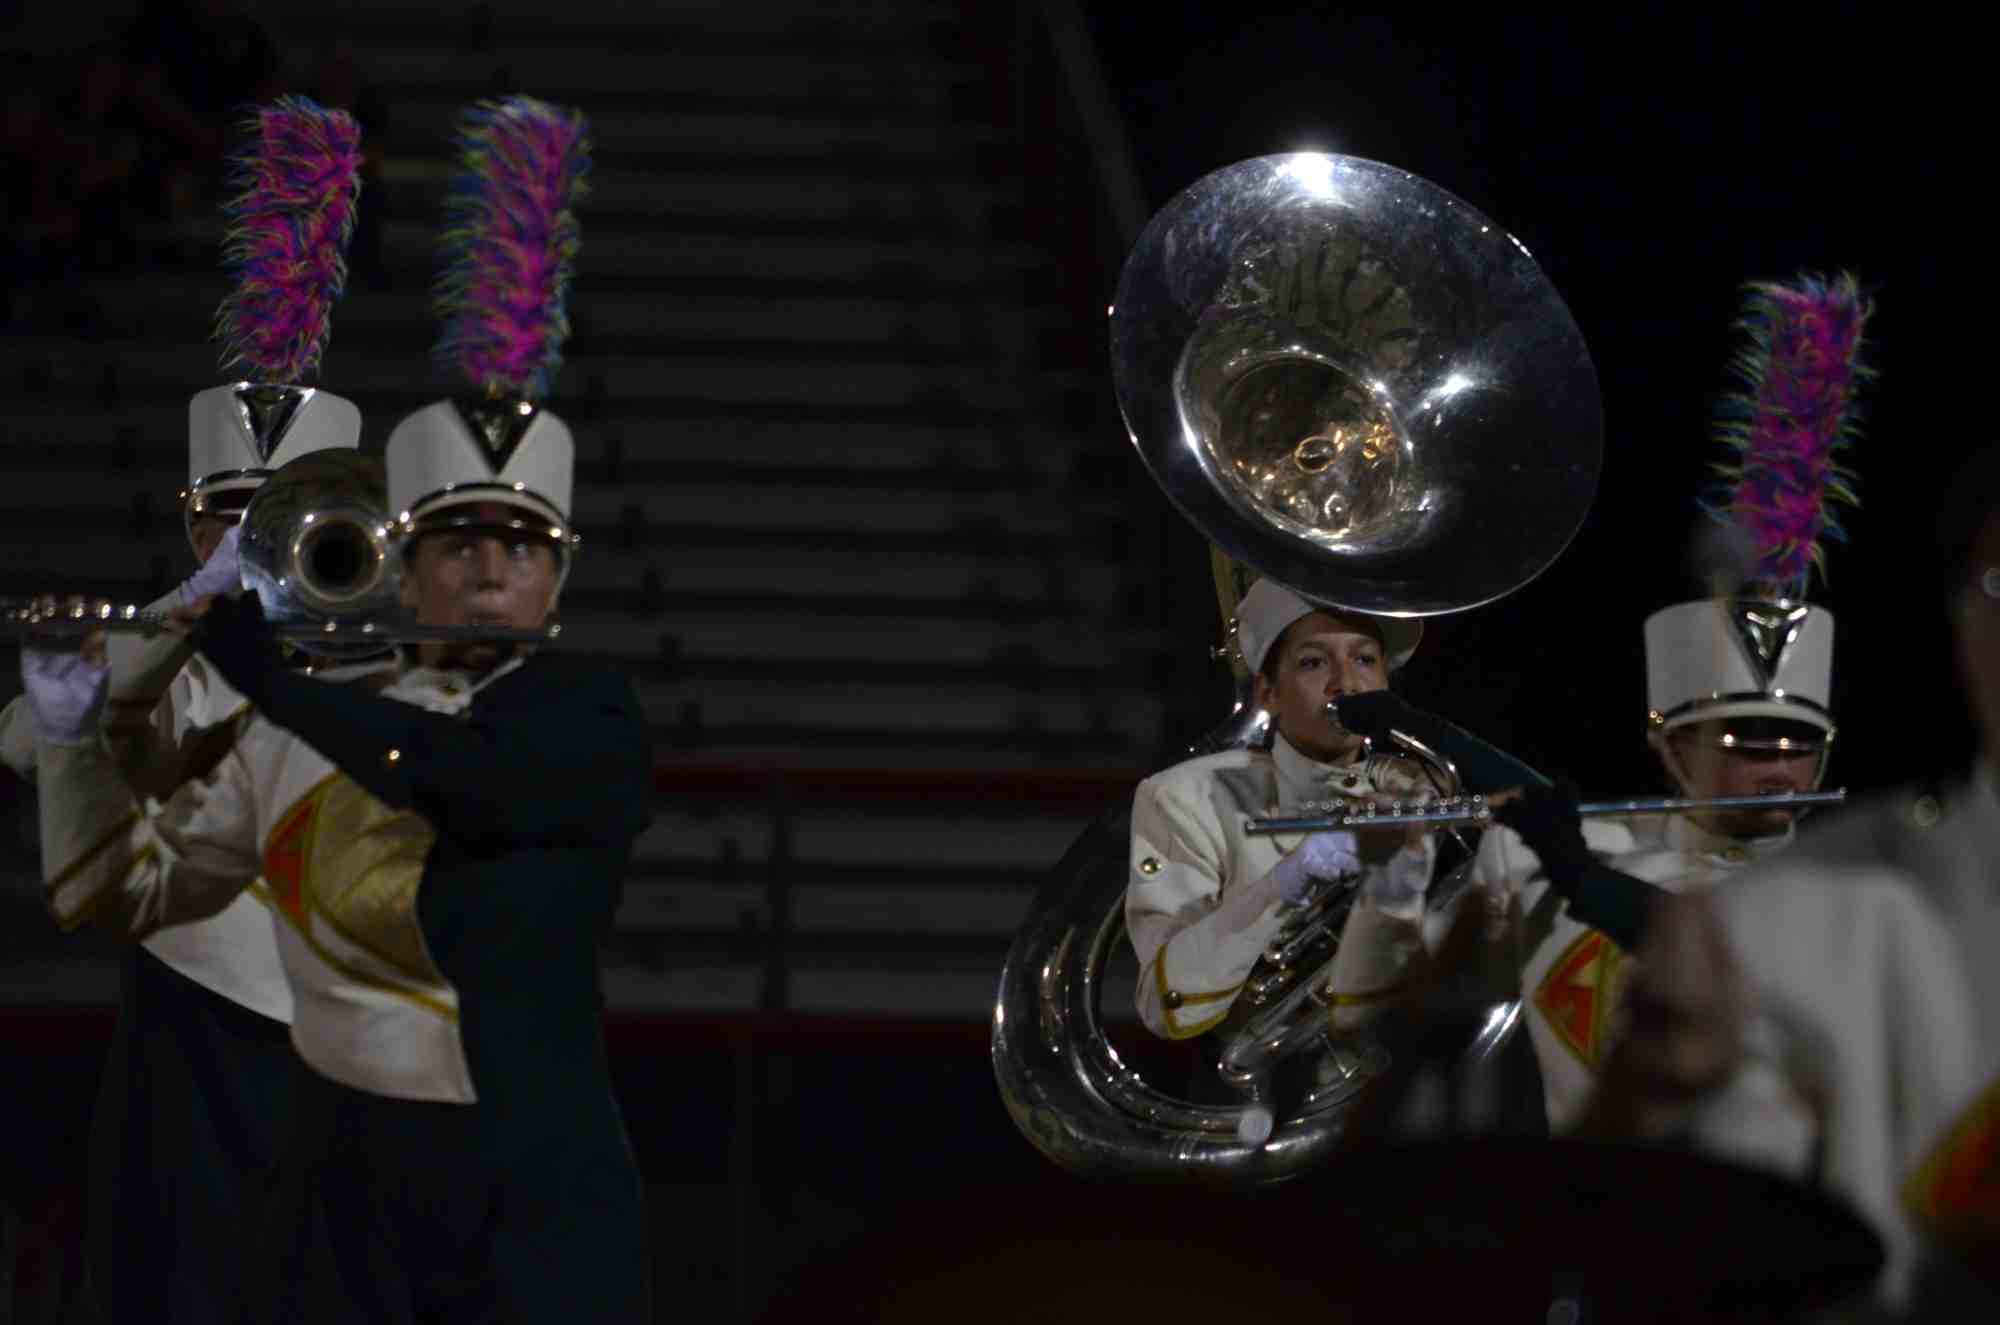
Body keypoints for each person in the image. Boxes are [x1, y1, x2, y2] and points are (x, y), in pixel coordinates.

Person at [22, 94, 653, 1322]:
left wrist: (274, 682)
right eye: (457, 541)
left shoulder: (585, 713)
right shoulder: (301, 721)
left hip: (533, 1200)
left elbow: (460, 775)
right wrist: (64, 724)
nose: (487, 571)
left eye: (519, 546)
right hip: (345, 1191)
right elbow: (113, 886)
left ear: (559, 573)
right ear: (407, 559)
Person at [2, 97, 364, 1324]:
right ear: (188, 515)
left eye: (279, 513)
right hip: (188, 1050)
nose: (251, 537)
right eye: (226, 512)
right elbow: (26, 735)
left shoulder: (380, 663)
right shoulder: (165, 656)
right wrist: (187, 604)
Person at [1576, 449, 2000, 1311]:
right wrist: (1650, 1098)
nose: (1773, 770)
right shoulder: (1786, 916)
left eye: (1794, 743)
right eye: (1742, 741)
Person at [1125, 574, 1440, 1043]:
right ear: (1268, 693)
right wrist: (1284, 884)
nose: (1347, 683)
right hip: (1271, 1084)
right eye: (1314, 662)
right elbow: (1164, 1003)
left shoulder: (1422, 787)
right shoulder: (1185, 796)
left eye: (1365, 660)